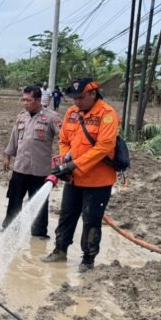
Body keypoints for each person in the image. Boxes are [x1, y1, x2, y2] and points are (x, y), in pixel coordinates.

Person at [43, 78, 119, 272]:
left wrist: (75, 164)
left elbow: (104, 147)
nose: (76, 102)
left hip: (98, 181)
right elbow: (64, 139)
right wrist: (64, 158)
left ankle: (88, 259)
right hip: (74, 178)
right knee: (67, 215)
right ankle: (60, 250)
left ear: (93, 94)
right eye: (74, 98)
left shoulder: (107, 114)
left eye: (81, 98)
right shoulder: (71, 113)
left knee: (91, 220)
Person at [2, 86, 61, 235]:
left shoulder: (51, 117)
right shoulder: (21, 116)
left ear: (39, 100)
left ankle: (39, 233)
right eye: (23, 99)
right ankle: (10, 227)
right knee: (14, 199)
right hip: (20, 167)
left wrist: (63, 160)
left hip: (40, 170)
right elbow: (14, 138)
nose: (25, 103)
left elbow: (64, 138)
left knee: (39, 204)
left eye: (28, 100)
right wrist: (7, 155)